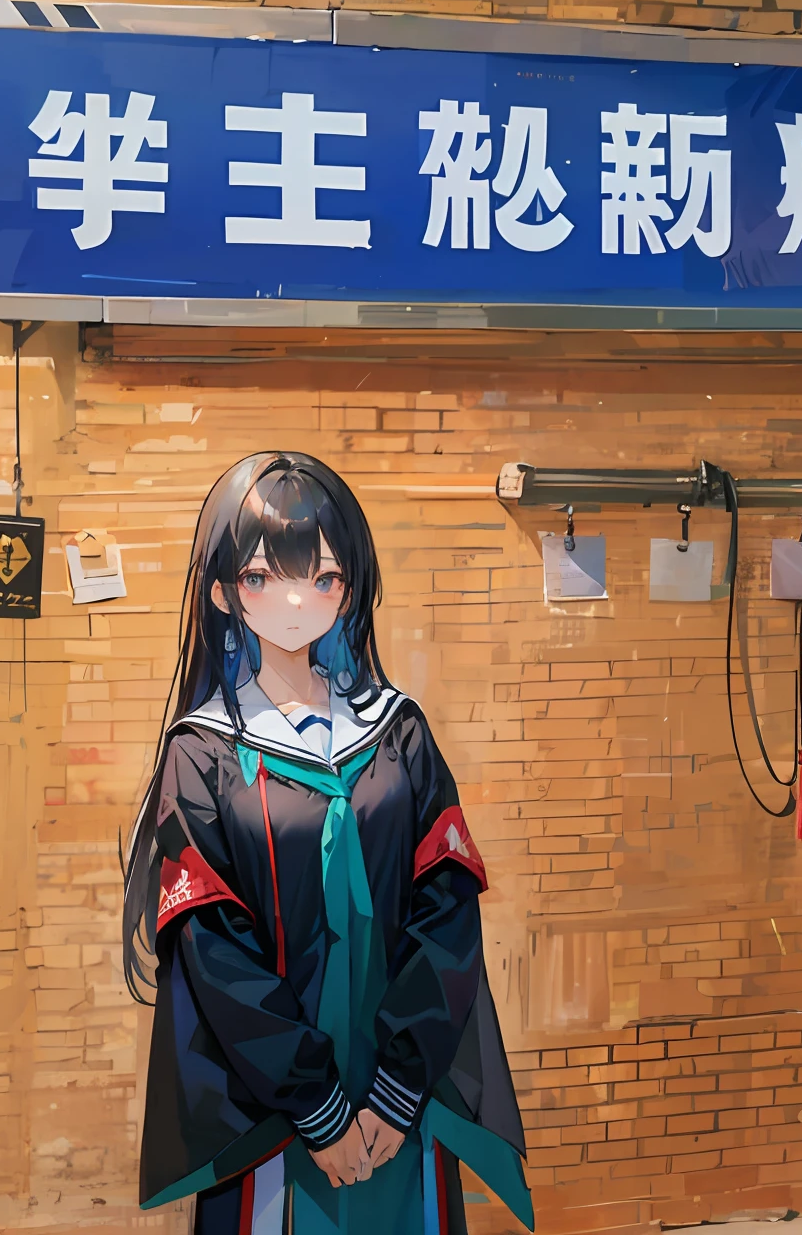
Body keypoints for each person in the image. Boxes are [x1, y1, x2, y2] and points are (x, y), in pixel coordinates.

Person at [122, 452, 532, 1235]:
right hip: (277, 1115)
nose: (293, 600)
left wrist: (397, 1089)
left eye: (321, 577)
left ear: (348, 588)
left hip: (396, 1104)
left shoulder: (396, 730)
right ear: (222, 591)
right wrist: (317, 1105)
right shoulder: (203, 753)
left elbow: (447, 913)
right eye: (261, 578)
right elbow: (213, 951)